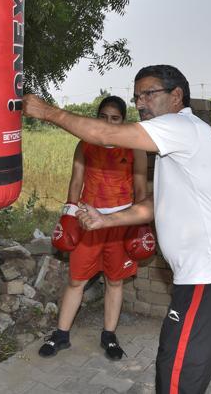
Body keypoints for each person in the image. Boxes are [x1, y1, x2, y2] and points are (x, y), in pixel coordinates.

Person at [24, 65, 211, 394]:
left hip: (207, 275)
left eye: (148, 94)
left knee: (175, 369)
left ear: (176, 96)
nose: (140, 103)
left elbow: (106, 135)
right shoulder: (181, 142)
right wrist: (107, 220)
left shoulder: (180, 126)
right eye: (136, 97)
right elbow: (155, 204)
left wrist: (47, 111)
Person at [39, 96, 148, 361]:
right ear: (96, 117)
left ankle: (109, 335)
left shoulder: (135, 148)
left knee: (114, 280)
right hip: (87, 220)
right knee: (76, 279)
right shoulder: (85, 144)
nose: (108, 123)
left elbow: (141, 189)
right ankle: (61, 334)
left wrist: (141, 224)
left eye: (115, 118)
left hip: (120, 222)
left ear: (123, 121)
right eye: (103, 117)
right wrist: (68, 213)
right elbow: (76, 182)